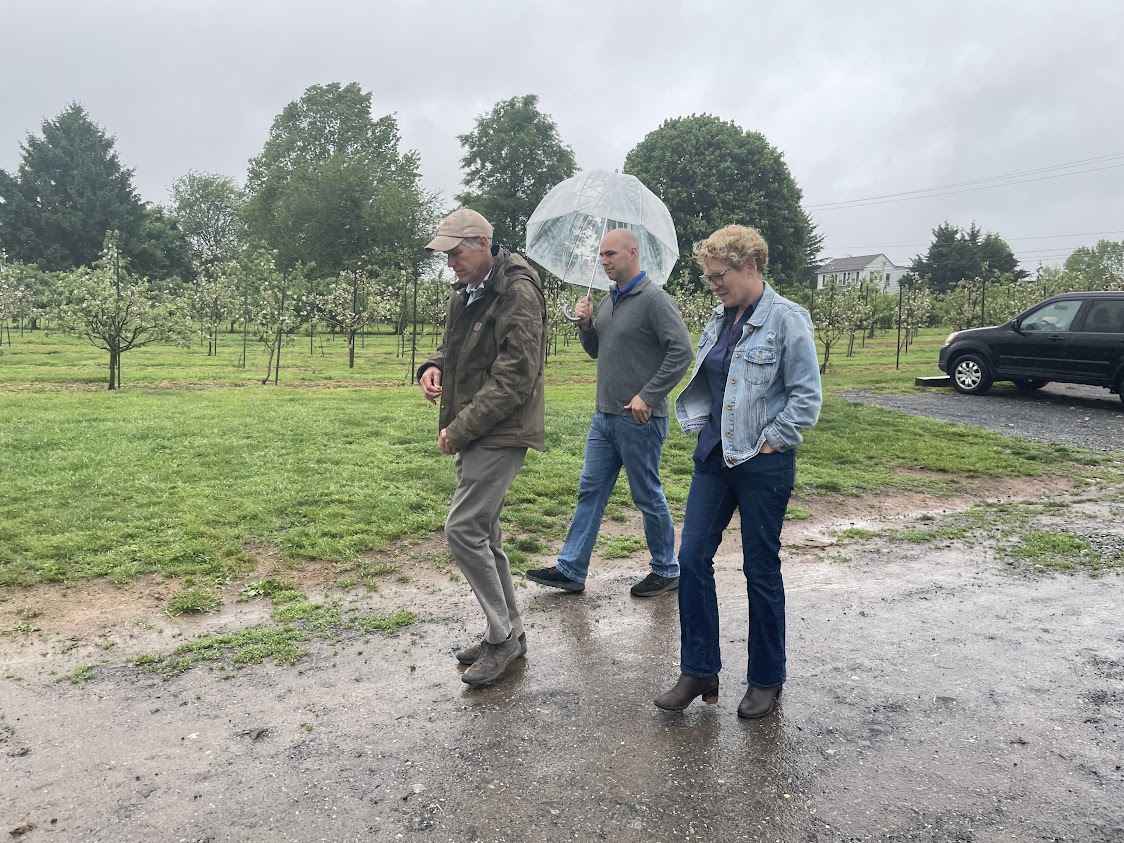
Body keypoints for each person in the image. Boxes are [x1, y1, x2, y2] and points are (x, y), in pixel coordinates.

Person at [653, 224, 821, 719]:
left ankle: (767, 678)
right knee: (692, 556)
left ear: (750, 266)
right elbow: (713, 378)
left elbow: (806, 395)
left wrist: (773, 439)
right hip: (714, 457)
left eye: (718, 275)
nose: (713, 284)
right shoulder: (718, 318)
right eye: (708, 278)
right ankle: (699, 669)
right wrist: (704, 423)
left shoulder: (787, 320)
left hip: (763, 463)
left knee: (759, 567)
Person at [418, 208, 547, 688]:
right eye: (446, 254)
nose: (449, 261)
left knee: (463, 529)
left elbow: (516, 374)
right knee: (484, 533)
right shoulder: (469, 290)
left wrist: (461, 428)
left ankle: (501, 638)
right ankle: (509, 630)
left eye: (455, 252)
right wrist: (431, 366)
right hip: (477, 425)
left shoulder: (516, 290)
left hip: (500, 428)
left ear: (481, 243)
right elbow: (455, 346)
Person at [526, 228, 693, 597]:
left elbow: (681, 351)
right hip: (604, 417)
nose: (604, 262)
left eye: (611, 255)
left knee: (646, 494)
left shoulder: (654, 300)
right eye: (601, 255)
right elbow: (595, 351)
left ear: (633, 253)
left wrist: (648, 396)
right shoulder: (606, 301)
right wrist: (586, 325)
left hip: (640, 419)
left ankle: (667, 569)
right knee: (591, 491)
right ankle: (571, 568)